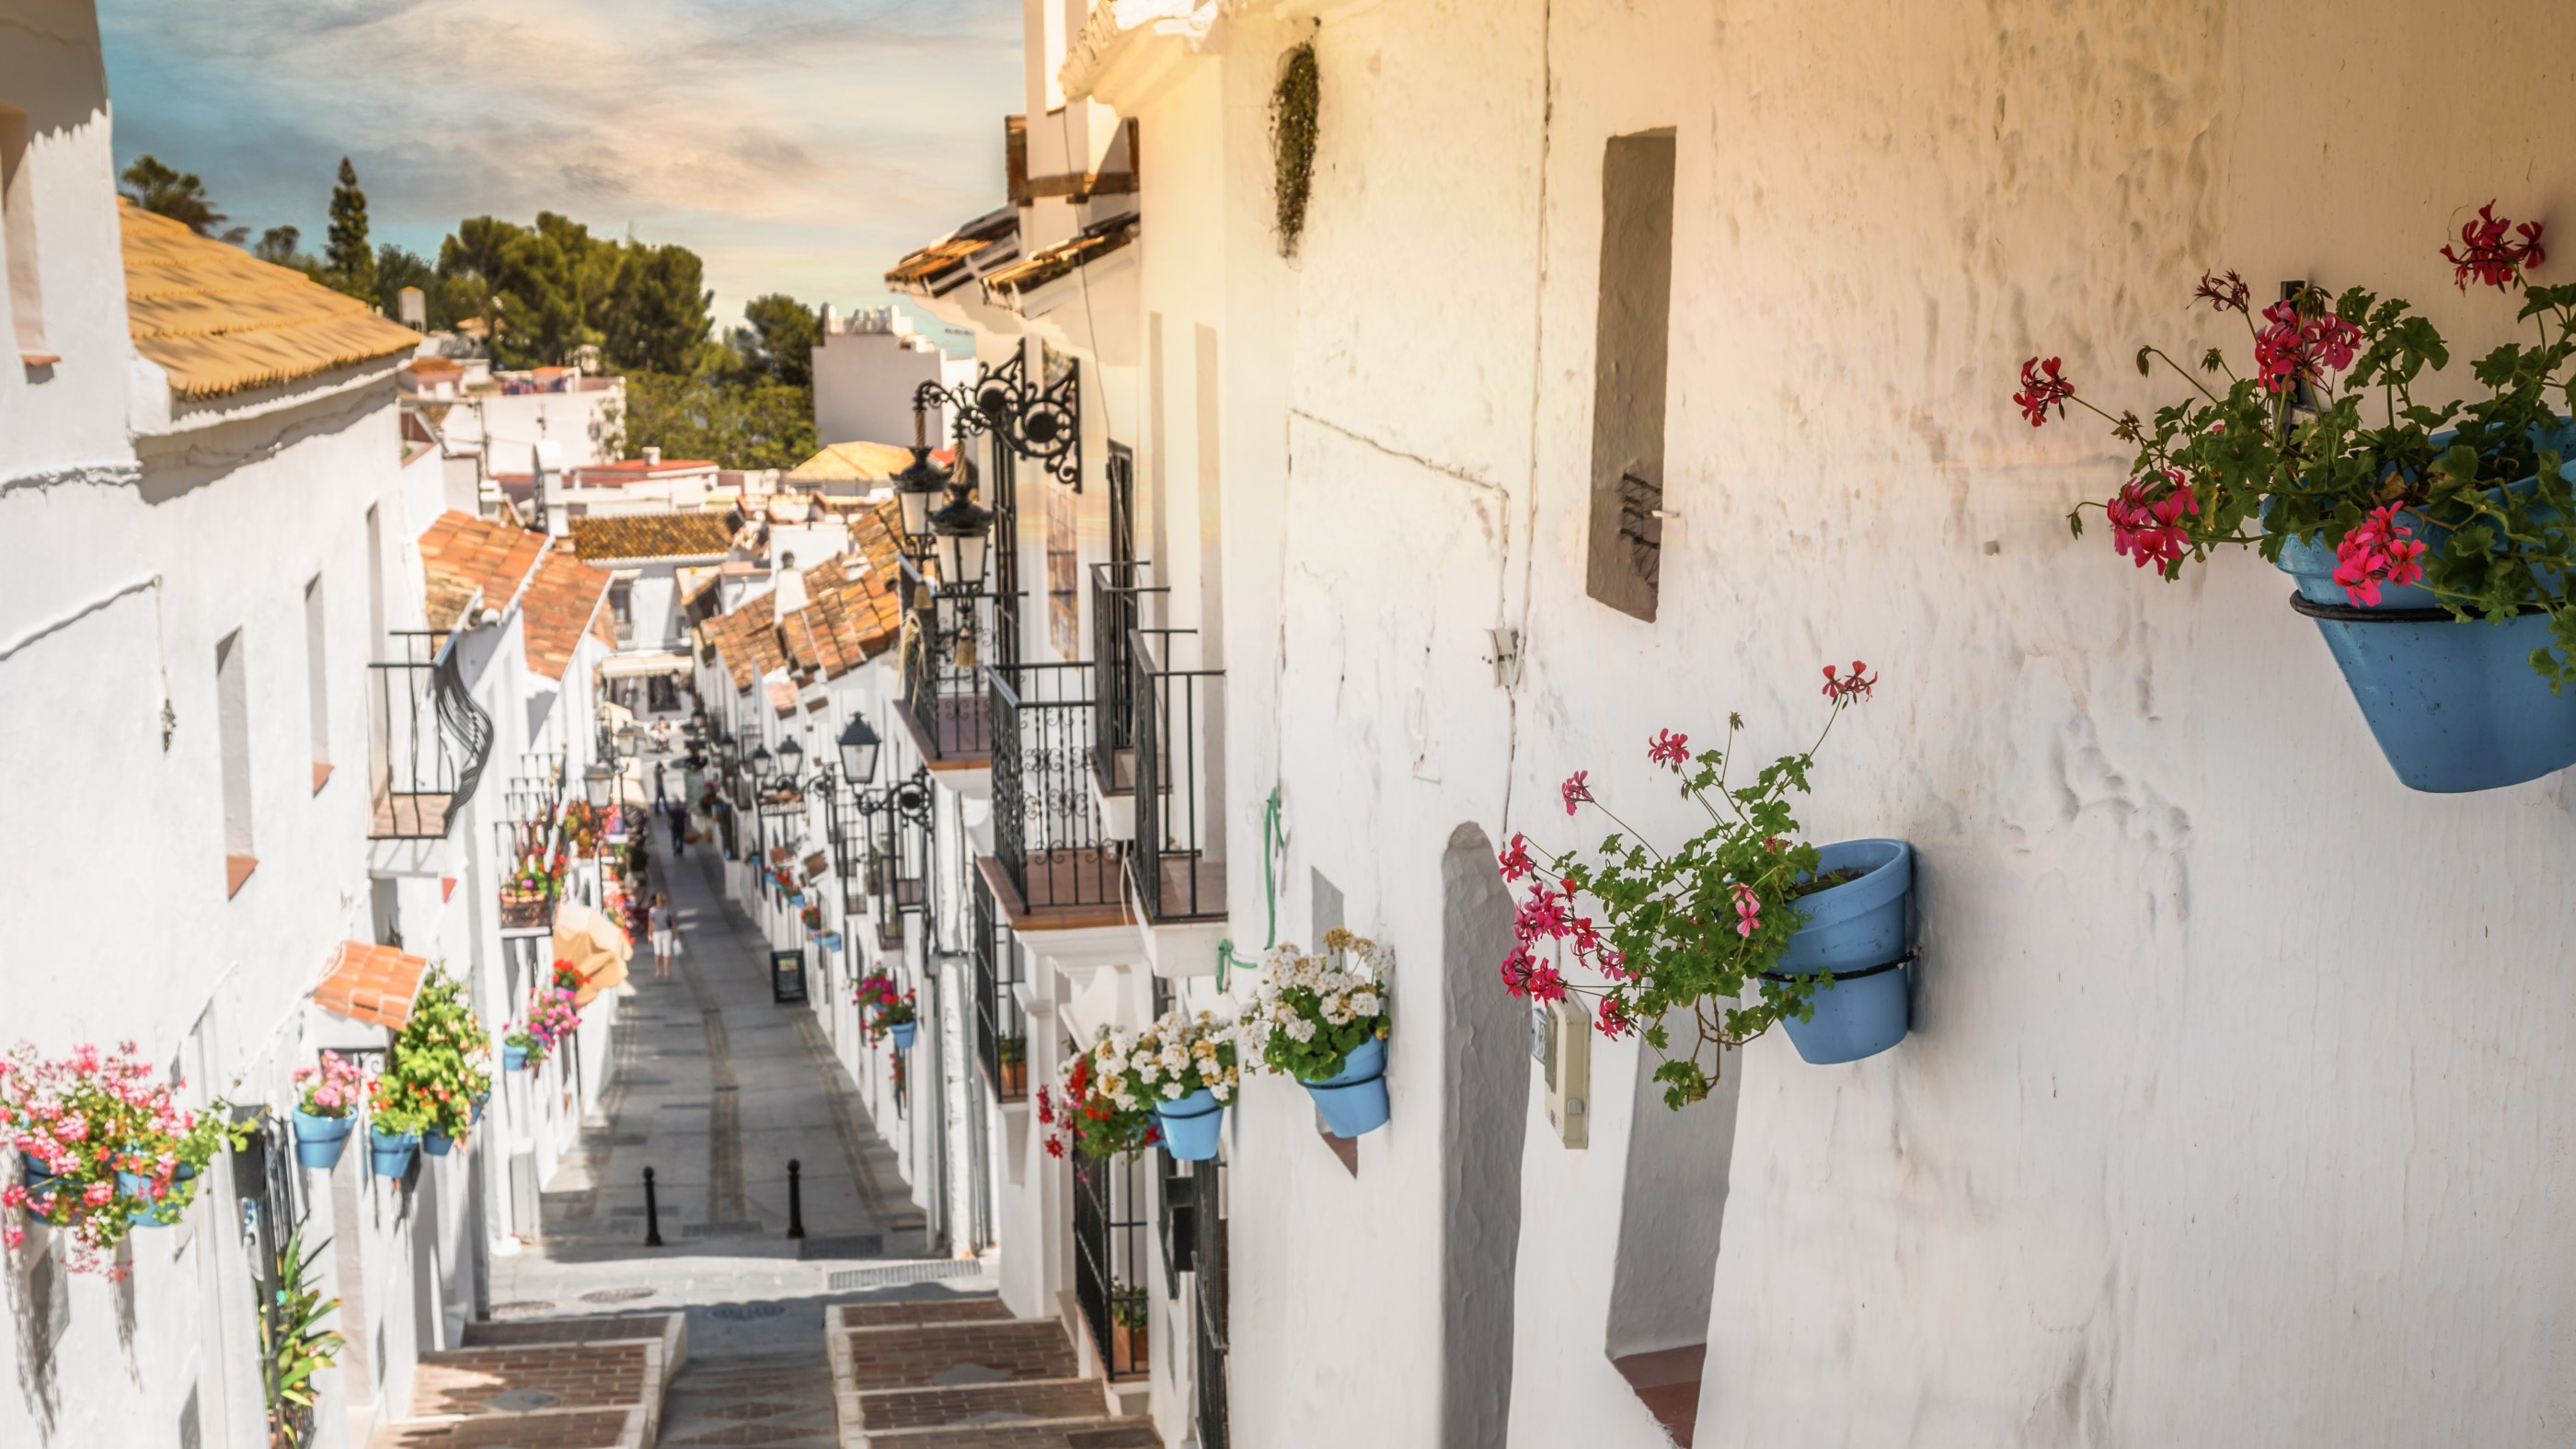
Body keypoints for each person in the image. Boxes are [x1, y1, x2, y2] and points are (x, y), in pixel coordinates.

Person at [650, 891, 677, 979]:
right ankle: (663, 970)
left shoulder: (664, 910)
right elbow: (651, 923)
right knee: (662, 953)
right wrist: (675, 933)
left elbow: (672, 922)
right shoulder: (654, 910)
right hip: (661, 932)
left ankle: (663, 970)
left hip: (662, 932)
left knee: (664, 953)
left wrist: (649, 934)